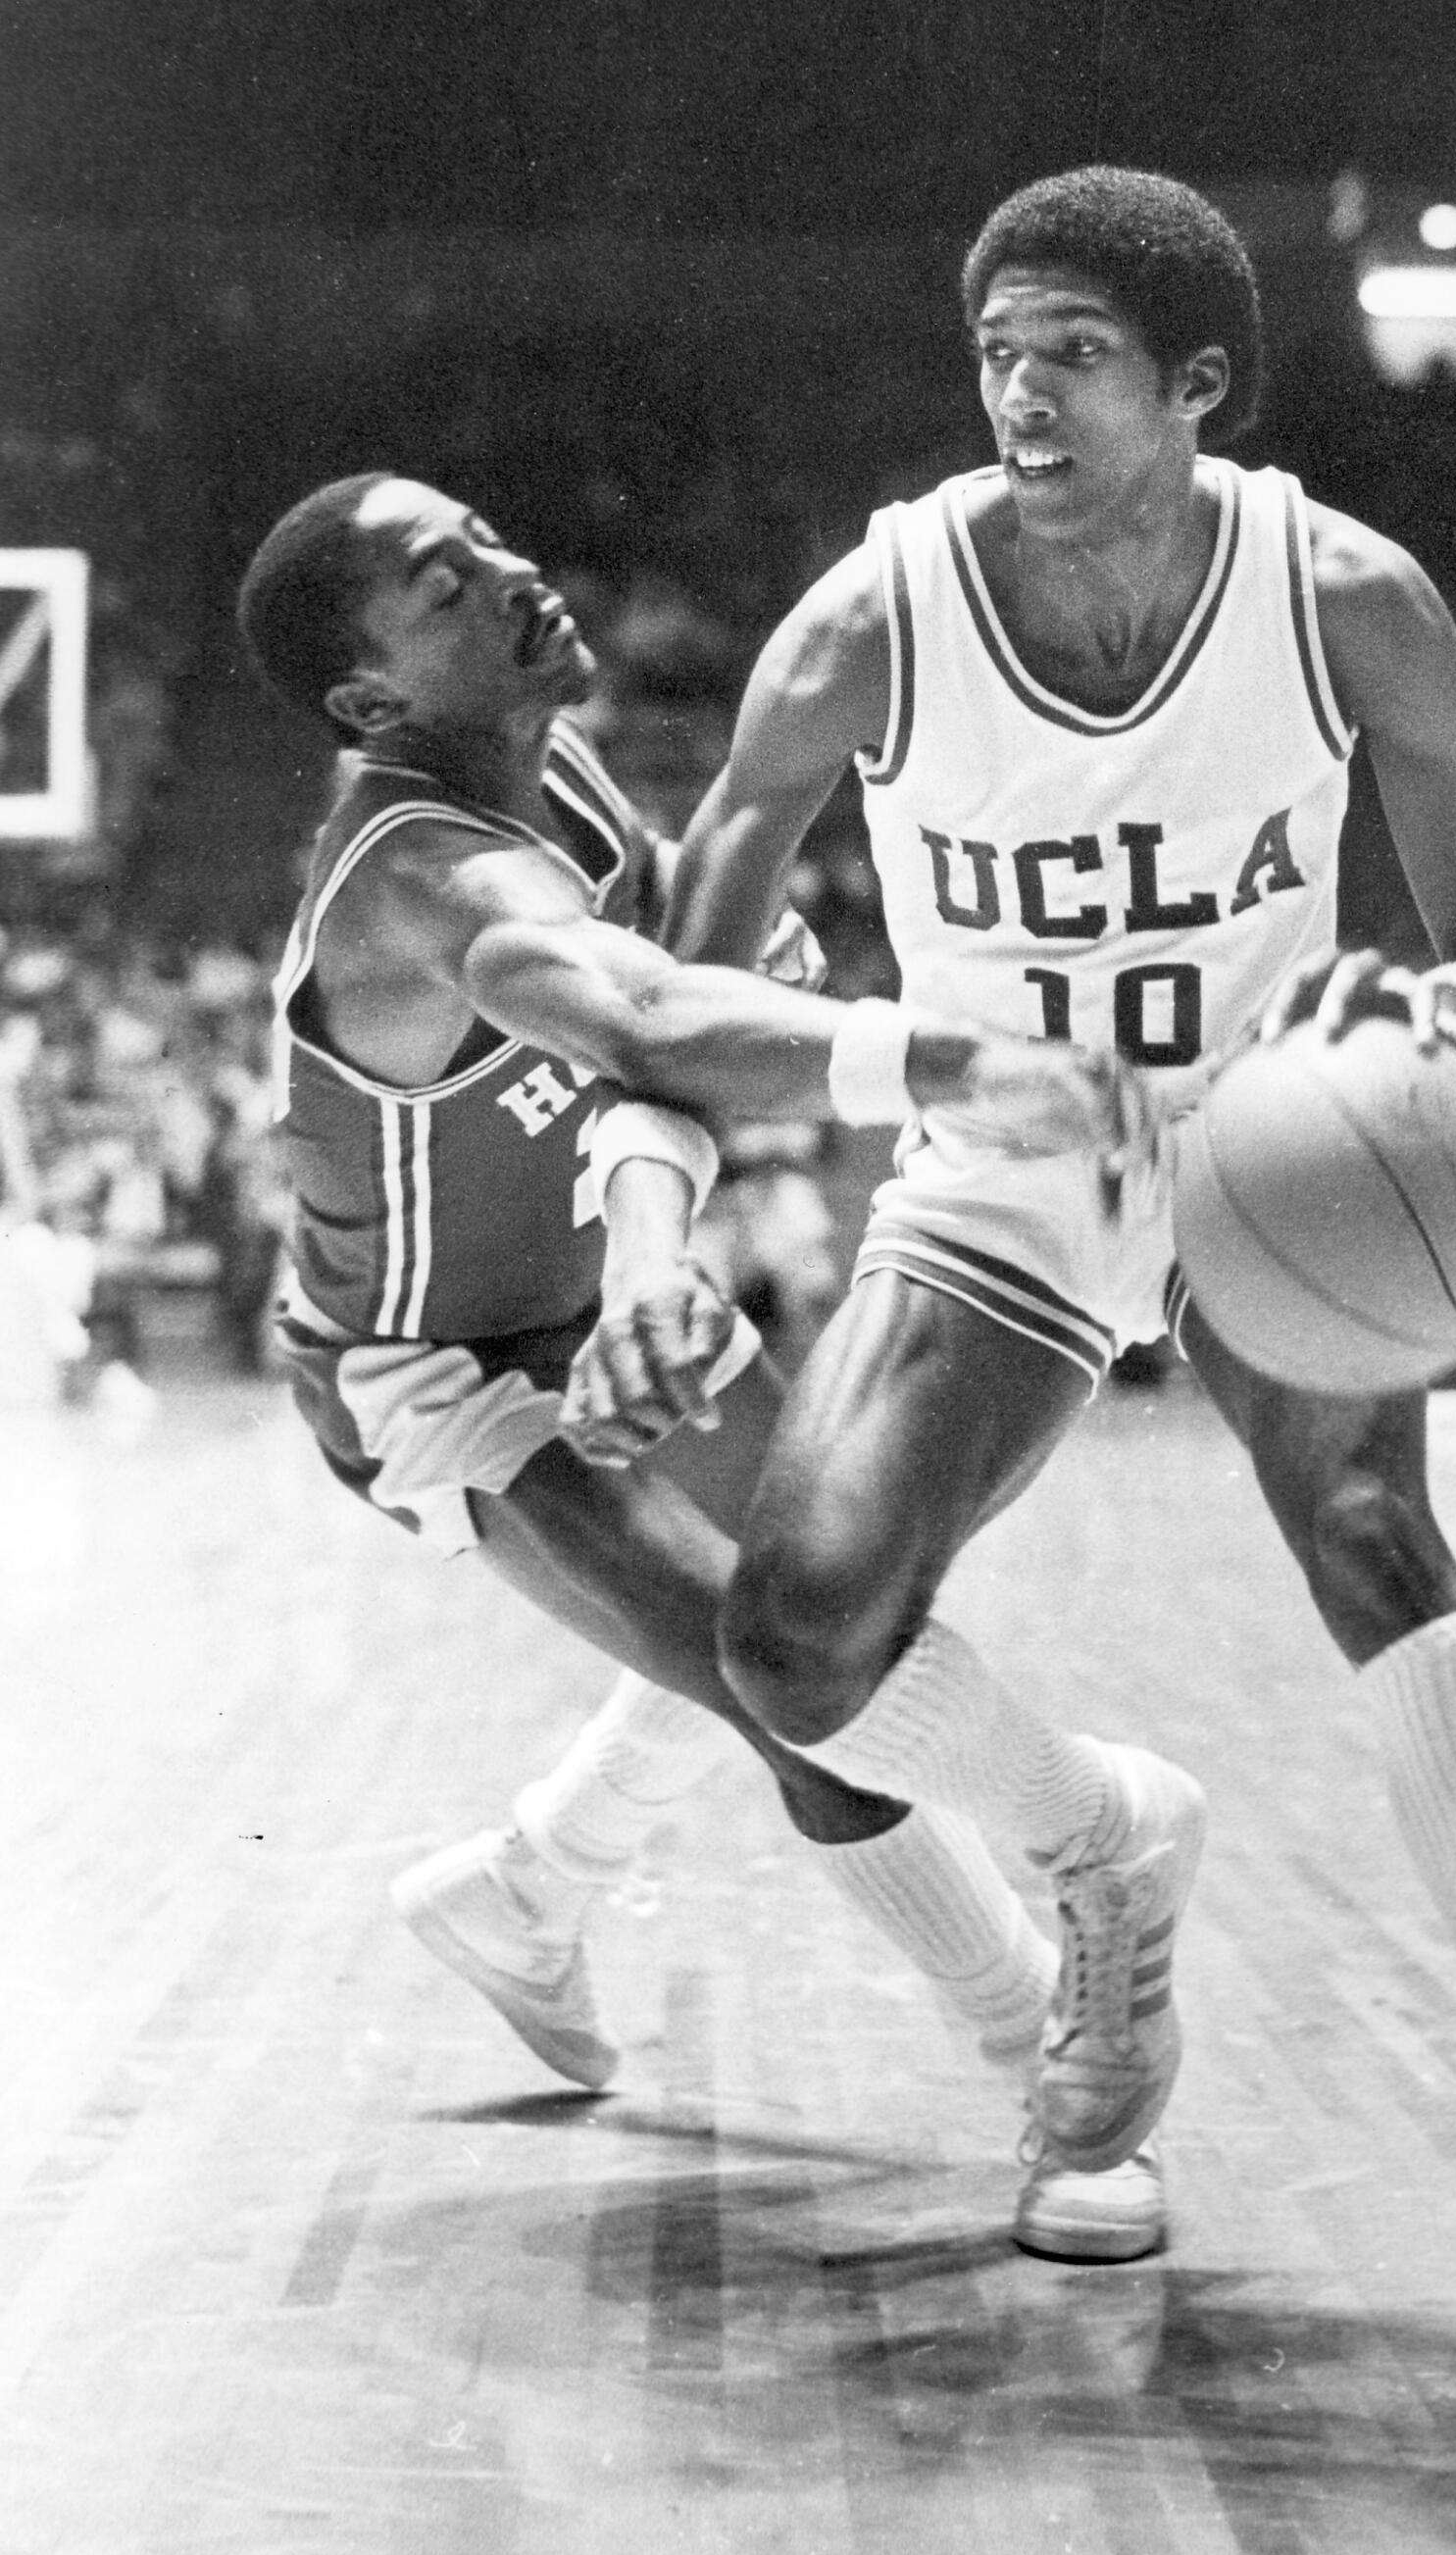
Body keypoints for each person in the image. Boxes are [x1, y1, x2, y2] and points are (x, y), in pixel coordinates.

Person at [665, 169, 1456, 2415]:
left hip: (1264, 1143)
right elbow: (674, 973)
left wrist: (1432, 1047)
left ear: (1199, 387)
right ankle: (1103, 1849)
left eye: (1069, 353)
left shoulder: (1345, 600)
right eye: (994, 352)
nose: (1018, 394)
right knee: (789, 1635)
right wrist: (664, 1202)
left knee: (1372, 1536)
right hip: (1003, 1170)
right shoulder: (868, 622)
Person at [235, 472, 1170, 2263]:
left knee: (822, 1610)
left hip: (589, 1303)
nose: (515, 566)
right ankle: (1054, 2050)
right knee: (798, 1692)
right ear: (371, 702)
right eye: (448, 582)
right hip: (429, 1373)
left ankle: (534, 1890)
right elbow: (656, 1020)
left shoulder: (557, 769)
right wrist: (964, 1065)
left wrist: (654, 1253)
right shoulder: (417, 882)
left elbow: (676, 1043)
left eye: (495, 535)